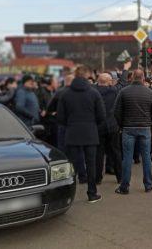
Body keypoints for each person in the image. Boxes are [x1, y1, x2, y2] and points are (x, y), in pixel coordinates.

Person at [57, 65, 105, 203]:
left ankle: (67, 195)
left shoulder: (65, 94)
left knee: (71, 165)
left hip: (72, 133)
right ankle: (92, 193)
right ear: (87, 75)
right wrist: (92, 124)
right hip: (90, 133)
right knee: (91, 164)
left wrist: (70, 124)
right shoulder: (94, 93)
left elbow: (60, 117)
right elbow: (101, 115)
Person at [114, 69, 152, 194]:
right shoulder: (150, 92)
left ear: (132, 77)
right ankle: (148, 185)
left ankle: (124, 187)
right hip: (145, 127)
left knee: (127, 158)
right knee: (146, 157)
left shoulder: (123, 92)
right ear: (143, 78)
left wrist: (121, 124)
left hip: (128, 128)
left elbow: (116, 111)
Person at [94, 60, 131, 184]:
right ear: (109, 82)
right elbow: (123, 83)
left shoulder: (93, 92)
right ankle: (120, 177)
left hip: (98, 127)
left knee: (99, 153)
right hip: (112, 126)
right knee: (116, 152)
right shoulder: (114, 91)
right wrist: (125, 69)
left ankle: (98, 178)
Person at [47, 74, 74, 153]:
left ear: (65, 82)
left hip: (61, 122)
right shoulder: (78, 93)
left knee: (62, 146)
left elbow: (50, 107)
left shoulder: (59, 92)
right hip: (75, 123)